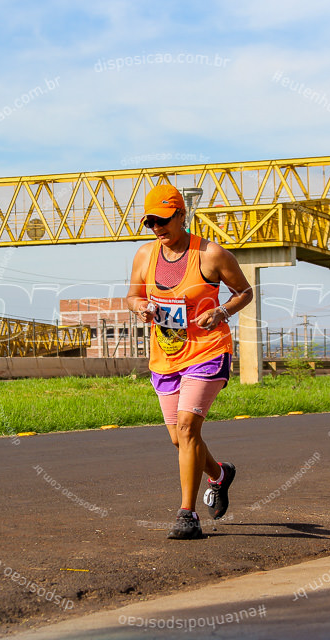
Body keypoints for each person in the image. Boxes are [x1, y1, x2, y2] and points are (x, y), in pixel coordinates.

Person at [127, 184, 254, 539]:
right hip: (166, 354)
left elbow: (245, 292)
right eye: (151, 223)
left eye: (164, 221)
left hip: (208, 351)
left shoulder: (211, 255)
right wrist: (141, 308)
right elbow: (133, 295)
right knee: (178, 439)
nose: (157, 229)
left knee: (187, 428)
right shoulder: (144, 256)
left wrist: (222, 311)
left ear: (182, 215)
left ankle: (187, 515)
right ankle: (219, 474)